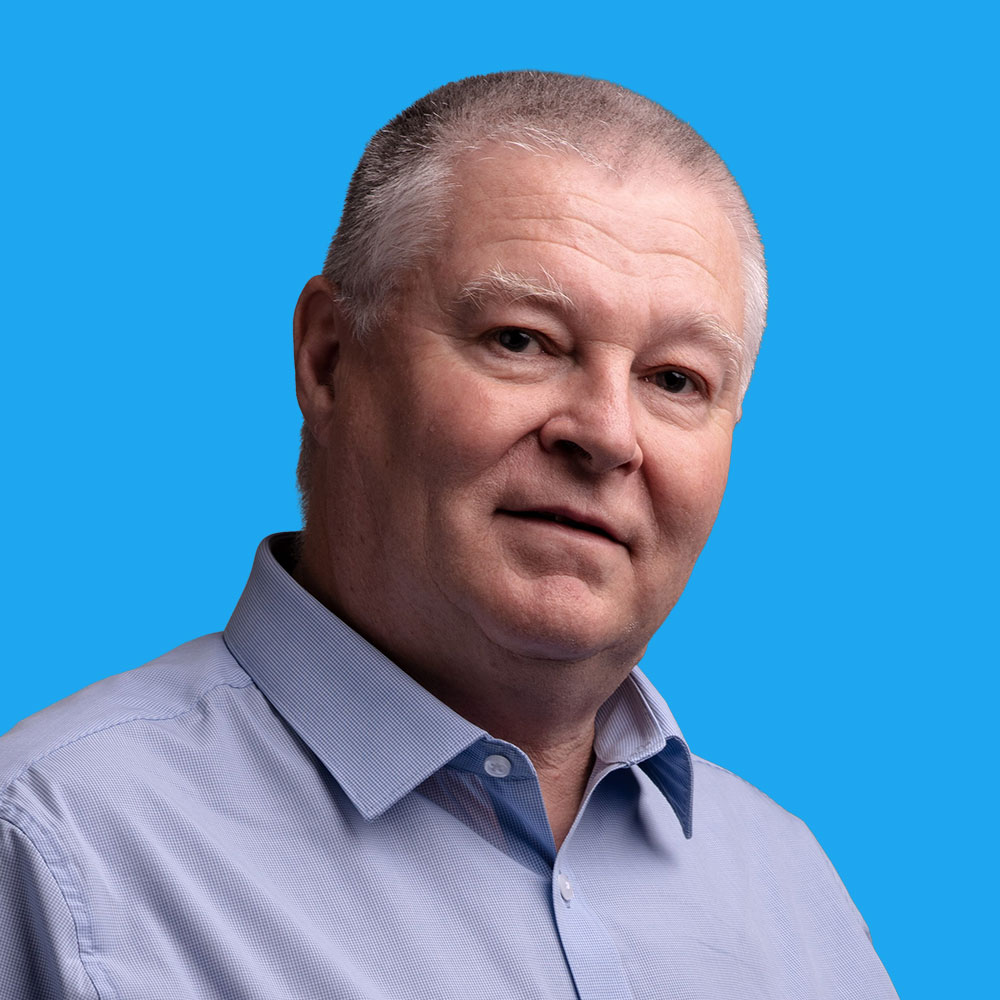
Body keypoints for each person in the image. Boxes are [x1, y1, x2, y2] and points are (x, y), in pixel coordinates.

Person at [0, 71, 898, 999]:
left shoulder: (793, 894)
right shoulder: (57, 851)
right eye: (521, 339)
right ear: (329, 358)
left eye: (675, 380)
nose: (606, 434)